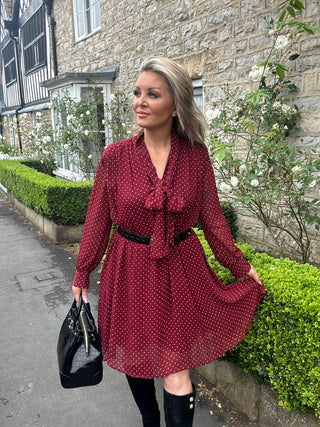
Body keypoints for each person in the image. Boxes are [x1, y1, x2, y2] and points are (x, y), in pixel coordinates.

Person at [72, 56, 266, 427]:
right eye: (136, 92)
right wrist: (83, 271)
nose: (139, 102)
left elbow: (213, 221)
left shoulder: (195, 157)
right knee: (138, 356)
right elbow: (98, 219)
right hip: (128, 268)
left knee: (176, 372)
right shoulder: (115, 157)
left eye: (152, 94)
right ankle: (149, 419)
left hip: (181, 270)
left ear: (176, 105)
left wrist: (242, 267)